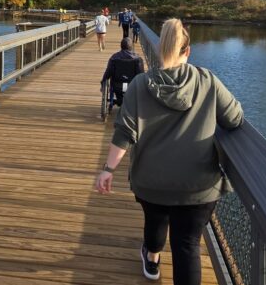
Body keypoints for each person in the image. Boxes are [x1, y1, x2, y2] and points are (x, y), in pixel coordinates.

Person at [93, 19, 243, 284]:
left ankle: (152, 260)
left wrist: (107, 170)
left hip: (151, 182)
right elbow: (234, 119)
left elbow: (125, 133)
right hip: (197, 186)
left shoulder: (140, 85)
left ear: (161, 49)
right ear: (188, 51)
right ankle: (156, 257)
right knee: (187, 246)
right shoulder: (207, 80)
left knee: (155, 219)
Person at [101, 38, 145, 107]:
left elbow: (108, 72)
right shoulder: (138, 59)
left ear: (121, 46)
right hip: (132, 86)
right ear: (131, 47)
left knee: (118, 89)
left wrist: (103, 81)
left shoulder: (114, 58)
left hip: (117, 85)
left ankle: (120, 100)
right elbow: (141, 75)